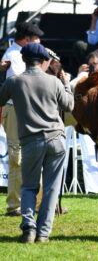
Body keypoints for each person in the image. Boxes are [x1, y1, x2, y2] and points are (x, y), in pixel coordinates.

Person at [0, 42, 74, 243]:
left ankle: (29, 228)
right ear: (44, 61)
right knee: (51, 189)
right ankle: (43, 233)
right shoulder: (54, 82)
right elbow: (69, 105)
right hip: (56, 139)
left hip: (31, 140)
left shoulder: (14, 82)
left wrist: (1, 73)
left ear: (23, 60)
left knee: (29, 187)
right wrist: (65, 82)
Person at [1, 22, 44, 216]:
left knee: (36, 154)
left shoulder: (18, 54)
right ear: (26, 39)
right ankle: (15, 205)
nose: (39, 42)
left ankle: (40, 203)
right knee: (17, 158)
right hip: (17, 109)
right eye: (36, 39)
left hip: (26, 109)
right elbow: (23, 83)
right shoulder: (14, 55)